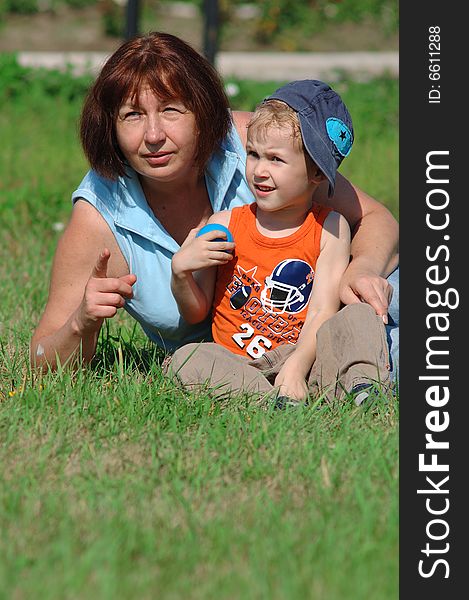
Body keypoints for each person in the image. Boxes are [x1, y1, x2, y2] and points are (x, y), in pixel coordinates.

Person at [30, 31, 398, 376]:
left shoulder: (251, 144)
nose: (154, 136)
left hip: (331, 318)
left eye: (171, 110)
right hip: (228, 363)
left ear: (203, 112)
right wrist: (82, 322)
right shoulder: (99, 214)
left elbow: (376, 218)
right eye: (132, 115)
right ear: (109, 126)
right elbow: (39, 359)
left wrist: (361, 268)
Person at [168, 80, 390, 404]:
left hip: (306, 358)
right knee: (187, 358)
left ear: (316, 172)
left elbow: (322, 311)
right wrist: (181, 274)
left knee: (359, 315)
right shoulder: (225, 223)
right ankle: (271, 402)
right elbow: (195, 313)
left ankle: (362, 388)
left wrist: (298, 366)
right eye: (253, 154)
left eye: (275, 159)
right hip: (238, 363)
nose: (259, 170)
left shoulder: (330, 228)